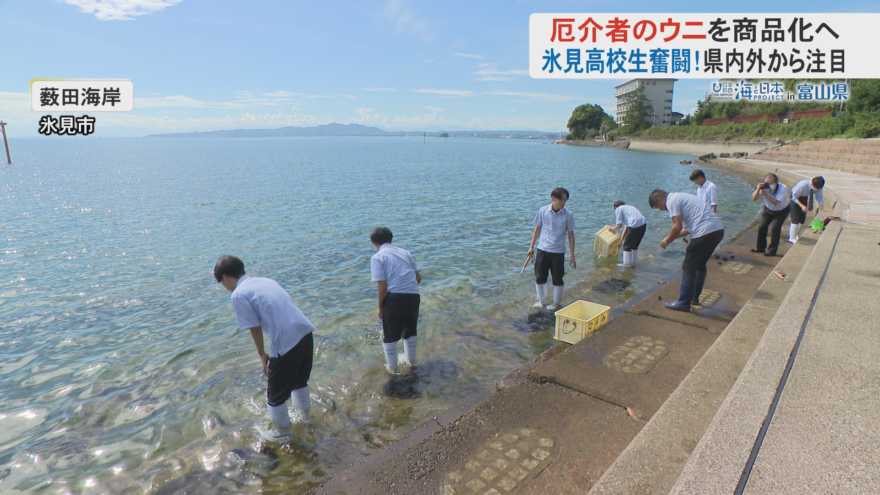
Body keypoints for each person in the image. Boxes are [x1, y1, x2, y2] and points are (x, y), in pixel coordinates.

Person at [214, 255, 314, 428]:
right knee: (299, 382)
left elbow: (254, 327)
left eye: (222, 283)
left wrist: (262, 354)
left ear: (226, 277)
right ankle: (307, 422)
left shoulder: (238, 294)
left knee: (274, 398)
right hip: (304, 331)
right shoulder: (264, 281)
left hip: (286, 341)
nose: (225, 287)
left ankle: (282, 436)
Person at [649, 190, 724, 312]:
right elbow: (687, 229)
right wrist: (670, 239)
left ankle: (683, 302)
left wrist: (667, 240)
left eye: (658, 207)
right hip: (717, 230)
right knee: (700, 265)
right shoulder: (681, 197)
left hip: (704, 232)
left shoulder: (671, 201)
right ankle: (693, 298)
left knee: (688, 265)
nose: (661, 210)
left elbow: (676, 226)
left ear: (659, 200)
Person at [370, 227, 421, 374]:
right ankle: (411, 363)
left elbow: (382, 285)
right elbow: (418, 278)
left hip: (395, 297)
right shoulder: (405, 252)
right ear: (391, 239)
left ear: (373, 243)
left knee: (390, 336)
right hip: (413, 295)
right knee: (410, 331)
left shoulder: (378, 257)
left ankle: (392, 370)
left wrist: (380, 306)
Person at [527, 188, 576, 311]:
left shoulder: (568, 214)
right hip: (542, 249)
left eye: (565, 199)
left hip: (558, 252)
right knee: (540, 277)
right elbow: (537, 229)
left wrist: (572, 255)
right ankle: (541, 301)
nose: (564, 202)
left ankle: (556, 303)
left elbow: (571, 235)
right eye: (562, 199)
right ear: (553, 198)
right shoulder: (543, 210)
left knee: (558, 278)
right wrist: (531, 246)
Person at [751, 173, 791, 256]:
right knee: (762, 226)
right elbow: (754, 199)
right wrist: (758, 190)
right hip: (768, 210)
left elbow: (776, 203)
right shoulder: (764, 187)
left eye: (771, 183)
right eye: (767, 183)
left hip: (781, 211)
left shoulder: (782, 188)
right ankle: (760, 248)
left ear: (776, 182)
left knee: (775, 228)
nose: (769, 185)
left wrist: (766, 195)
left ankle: (772, 251)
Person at [607, 200, 647, 268]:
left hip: (634, 225)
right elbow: (626, 227)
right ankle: (633, 264)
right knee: (634, 246)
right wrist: (620, 241)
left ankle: (626, 267)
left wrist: (611, 228)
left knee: (626, 247)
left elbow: (619, 225)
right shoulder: (629, 208)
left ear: (615, 207)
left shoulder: (618, 209)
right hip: (643, 224)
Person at [788, 176, 825, 243]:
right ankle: (792, 237)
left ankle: (797, 235)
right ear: (812, 184)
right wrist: (802, 206)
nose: (816, 189)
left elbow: (819, 196)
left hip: (804, 197)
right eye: (815, 188)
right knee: (795, 218)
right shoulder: (802, 185)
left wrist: (821, 204)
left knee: (802, 219)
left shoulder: (819, 187)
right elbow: (794, 197)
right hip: (796, 199)